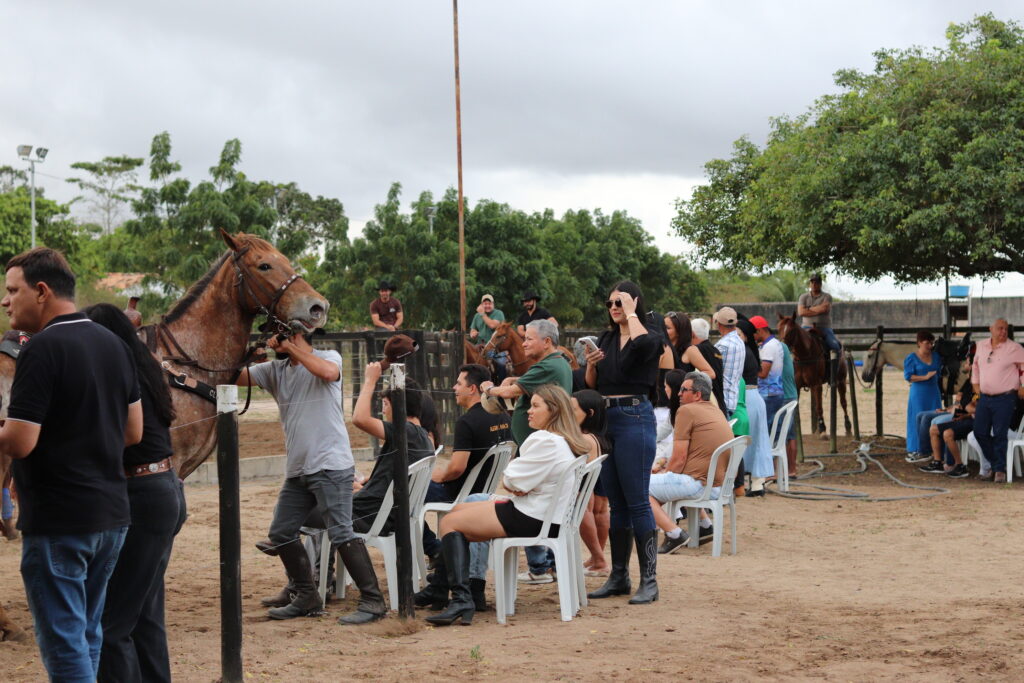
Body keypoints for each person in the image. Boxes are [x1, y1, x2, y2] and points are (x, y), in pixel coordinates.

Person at [0, 248, 143, 681]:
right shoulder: (115, 343)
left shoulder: (41, 349)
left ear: (41, 291)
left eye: (12, 291)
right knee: (87, 633)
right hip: (111, 517)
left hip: (60, 521)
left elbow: (20, 442)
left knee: (64, 644)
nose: (6, 301)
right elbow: (133, 432)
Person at [240, 332, 386, 625]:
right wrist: (246, 354)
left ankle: (373, 600)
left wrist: (291, 348)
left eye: (278, 334)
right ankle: (306, 594)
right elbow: (236, 379)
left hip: (331, 466)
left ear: (295, 334)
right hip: (298, 470)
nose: (272, 340)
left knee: (341, 532)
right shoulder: (274, 370)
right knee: (281, 532)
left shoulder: (329, 358)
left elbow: (329, 373)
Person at [422, 384, 590, 626]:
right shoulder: (562, 440)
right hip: (543, 515)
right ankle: (440, 589)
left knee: (449, 522)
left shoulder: (544, 440)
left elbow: (510, 478)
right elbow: (519, 482)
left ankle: (462, 599)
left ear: (553, 410)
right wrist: (520, 484)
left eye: (534, 406)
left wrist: (517, 482)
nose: (527, 412)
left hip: (531, 517)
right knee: (458, 510)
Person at [82, 304, 186, 683]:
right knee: (144, 617)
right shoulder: (145, 367)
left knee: (113, 624)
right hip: (164, 489)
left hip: (142, 495)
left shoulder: (117, 371)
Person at [584, 280, 662, 605]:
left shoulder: (650, 336)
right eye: (611, 303)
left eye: (620, 302)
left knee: (637, 500)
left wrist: (632, 314)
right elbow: (593, 383)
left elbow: (644, 346)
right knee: (616, 502)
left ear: (634, 302)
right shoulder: (607, 338)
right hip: (607, 419)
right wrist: (590, 365)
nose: (614, 308)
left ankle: (650, 580)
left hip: (635, 417)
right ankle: (619, 575)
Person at [480, 319, 572, 584]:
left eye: (529, 339)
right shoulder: (555, 365)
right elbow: (523, 382)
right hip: (538, 448)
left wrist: (488, 387)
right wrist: (516, 378)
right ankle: (547, 565)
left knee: (522, 498)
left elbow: (507, 391)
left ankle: (539, 567)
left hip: (537, 450)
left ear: (546, 342)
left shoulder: (547, 365)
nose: (523, 343)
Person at [419, 364, 511, 562]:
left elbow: (457, 468)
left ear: (472, 389)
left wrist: (437, 476)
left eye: (459, 383)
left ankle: (435, 549)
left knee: (402, 493)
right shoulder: (503, 416)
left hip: (460, 493)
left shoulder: (467, 422)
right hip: (485, 489)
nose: (454, 388)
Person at [649, 371, 734, 553]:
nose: (679, 393)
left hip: (699, 484)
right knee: (658, 486)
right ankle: (703, 525)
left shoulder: (686, 410)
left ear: (696, 394)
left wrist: (665, 472)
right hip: (718, 485)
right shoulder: (715, 410)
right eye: (679, 389)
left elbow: (679, 459)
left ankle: (674, 533)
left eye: (684, 390)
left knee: (638, 488)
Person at [351, 362, 435, 534]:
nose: (383, 412)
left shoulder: (405, 432)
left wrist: (370, 380)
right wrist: (364, 487)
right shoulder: (424, 437)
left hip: (369, 516)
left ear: (398, 406)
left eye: (385, 405)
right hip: (388, 513)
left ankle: (319, 561)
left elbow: (359, 419)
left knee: (306, 507)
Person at [971, 318, 1024, 482]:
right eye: (1000, 328)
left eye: (1006, 329)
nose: (1003, 332)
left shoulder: (1015, 348)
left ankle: (1000, 471)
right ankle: (996, 464)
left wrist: (1023, 386)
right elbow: (975, 366)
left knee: (1000, 433)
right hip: (985, 397)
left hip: (1005, 397)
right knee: (979, 432)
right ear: (991, 329)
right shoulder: (981, 346)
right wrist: (975, 385)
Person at [572, 389, 611, 575]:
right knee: (600, 510)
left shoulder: (583, 439)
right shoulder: (603, 437)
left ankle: (599, 559)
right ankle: (597, 557)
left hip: (585, 476)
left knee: (583, 508)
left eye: (573, 410)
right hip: (602, 456)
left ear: (589, 413)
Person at [736, 318, 774, 496]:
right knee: (757, 440)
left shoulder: (742, 351)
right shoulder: (751, 350)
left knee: (746, 440)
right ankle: (757, 482)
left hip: (747, 397)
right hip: (754, 396)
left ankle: (750, 481)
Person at [903, 330, 942, 457]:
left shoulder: (936, 356)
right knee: (917, 419)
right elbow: (908, 377)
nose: (930, 346)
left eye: (931, 343)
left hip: (933, 392)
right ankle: (916, 448)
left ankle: (933, 448)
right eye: (927, 343)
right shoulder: (911, 358)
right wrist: (925, 377)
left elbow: (940, 373)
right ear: (919, 343)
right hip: (919, 393)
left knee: (935, 417)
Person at [919, 399, 976, 478]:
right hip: (965, 417)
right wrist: (964, 413)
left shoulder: (986, 393)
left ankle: (960, 466)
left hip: (976, 422)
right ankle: (937, 463)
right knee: (933, 429)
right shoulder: (975, 393)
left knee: (947, 434)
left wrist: (969, 410)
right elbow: (968, 406)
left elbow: (978, 410)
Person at [751, 315, 786, 441]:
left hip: (768, 394)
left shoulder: (769, 347)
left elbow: (763, 373)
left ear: (759, 331)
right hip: (774, 393)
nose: (752, 337)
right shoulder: (774, 343)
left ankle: (768, 460)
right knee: (772, 432)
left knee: (766, 433)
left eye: (752, 333)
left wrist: (748, 369)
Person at [690, 317, 727, 415]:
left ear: (692, 334)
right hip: (720, 404)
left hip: (708, 405)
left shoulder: (696, 351)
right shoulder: (715, 350)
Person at [797, 273, 841, 354]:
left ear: (820, 284)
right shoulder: (803, 297)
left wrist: (808, 309)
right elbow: (801, 312)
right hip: (806, 327)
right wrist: (818, 308)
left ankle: (835, 367)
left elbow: (825, 309)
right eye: (812, 282)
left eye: (816, 282)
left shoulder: (827, 297)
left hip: (824, 327)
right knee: (794, 345)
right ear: (809, 284)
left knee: (835, 347)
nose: (814, 284)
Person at [469, 294, 508, 382]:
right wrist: (473, 333)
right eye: (485, 303)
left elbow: (492, 325)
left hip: (495, 347)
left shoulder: (498, 313)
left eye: (489, 303)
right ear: (481, 304)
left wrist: (482, 314)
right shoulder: (476, 316)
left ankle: (501, 386)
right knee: (470, 361)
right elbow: (472, 330)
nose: (487, 306)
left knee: (501, 365)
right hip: (480, 346)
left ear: (493, 304)